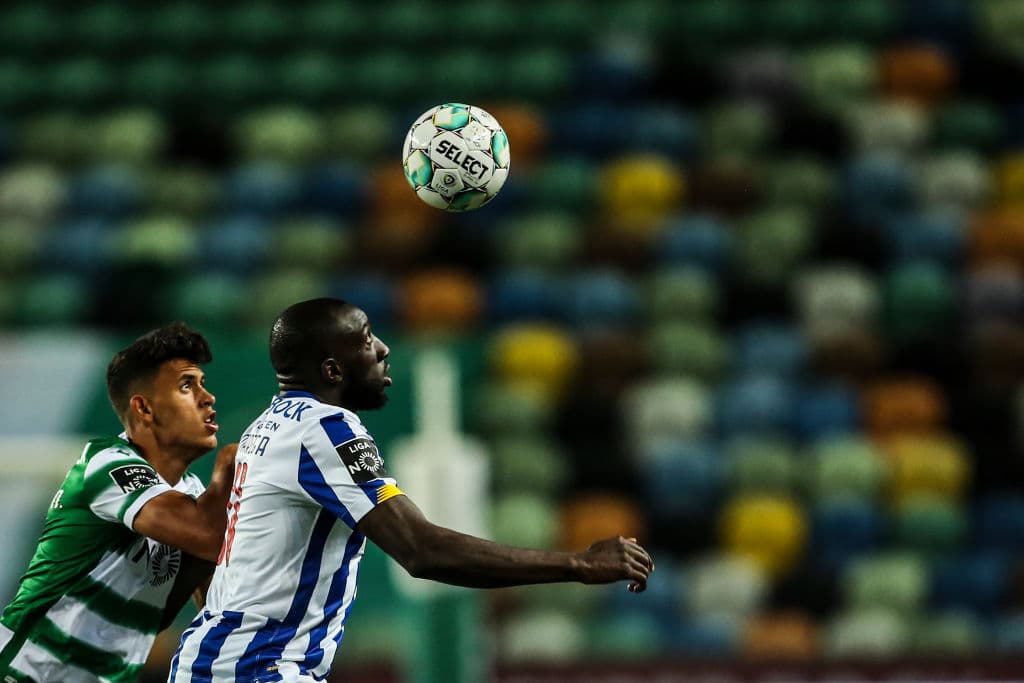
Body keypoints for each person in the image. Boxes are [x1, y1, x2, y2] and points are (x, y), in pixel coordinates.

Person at [169, 298, 654, 683]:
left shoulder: (265, 429)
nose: (382, 349)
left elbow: (216, 556)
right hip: (255, 671)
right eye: (365, 340)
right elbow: (422, 551)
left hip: (228, 666)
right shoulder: (324, 428)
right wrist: (578, 564)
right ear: (333, 370)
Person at [0, 323, 237, 683]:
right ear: (143, 408)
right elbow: (205, 535)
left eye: (203, 383)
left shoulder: (190, 495)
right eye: (187, 385)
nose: (208, 397)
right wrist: (231, 467)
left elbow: (194, 605)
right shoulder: (107, 463)